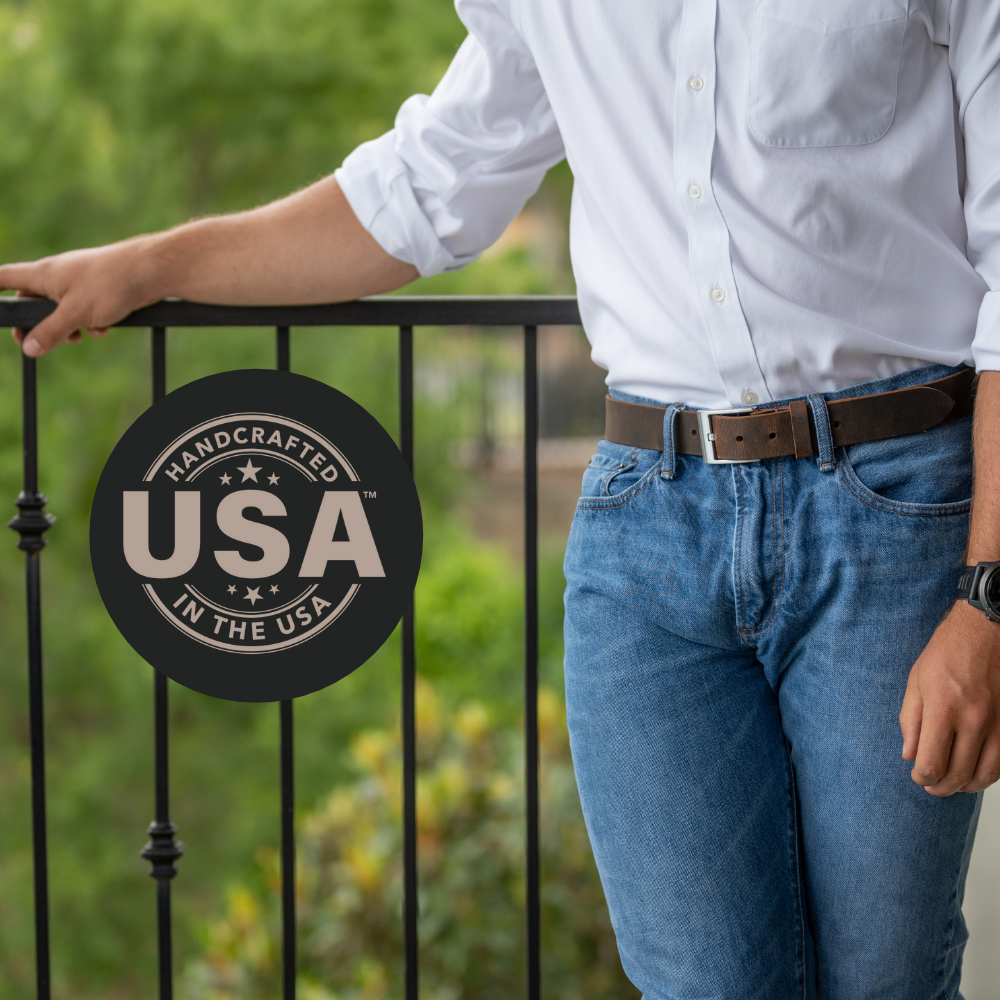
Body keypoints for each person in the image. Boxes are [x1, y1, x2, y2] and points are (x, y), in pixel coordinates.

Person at [3, 1, 1000, 996]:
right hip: (645, 527)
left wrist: (986, 598)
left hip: (893, 510)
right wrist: (148, 268)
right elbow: (418, 192)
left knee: (888, 978)